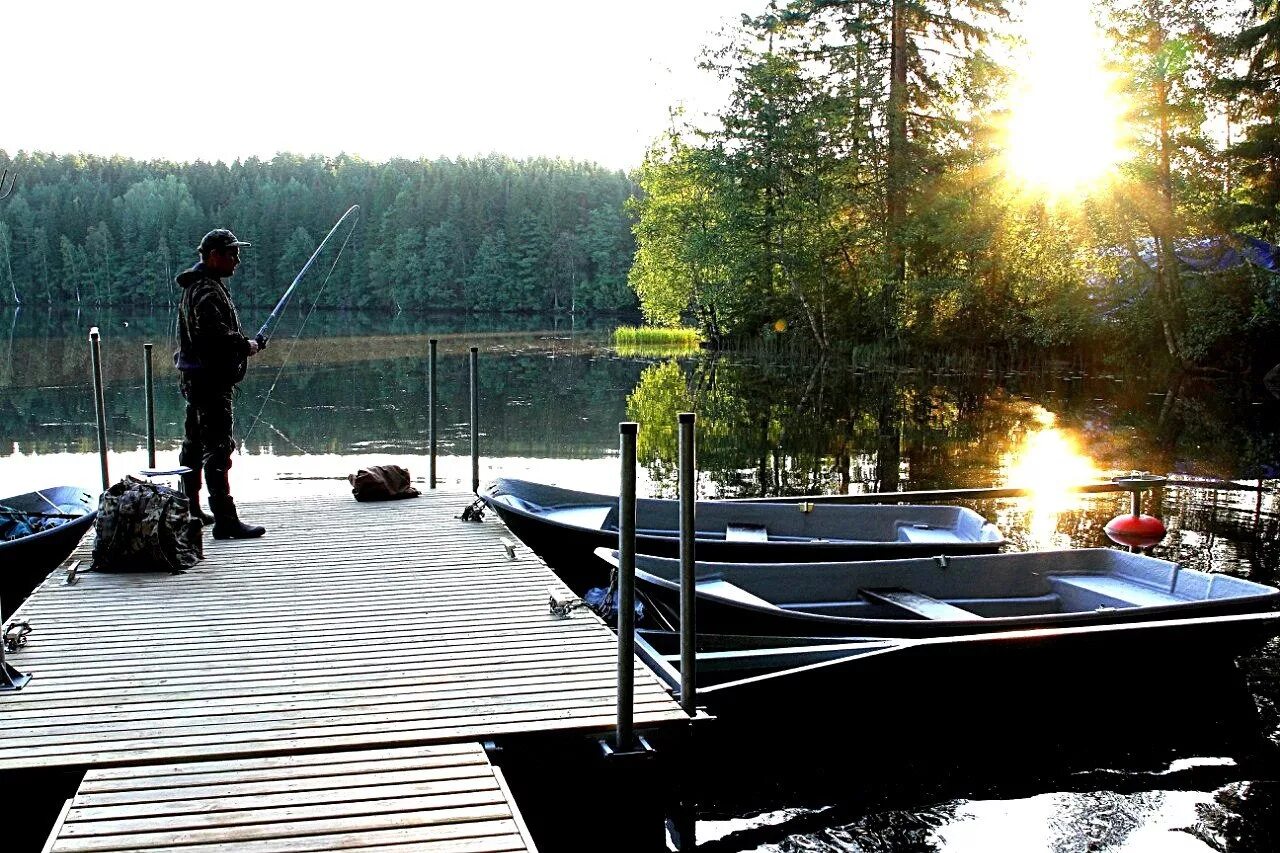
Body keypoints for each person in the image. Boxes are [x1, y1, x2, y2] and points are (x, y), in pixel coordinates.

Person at [174, 228, 268, 539]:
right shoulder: (207, 291)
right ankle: (225, 519)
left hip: (195, 378)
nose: (237, 260)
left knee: (193, 445)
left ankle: (191, 509)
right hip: (209, 381)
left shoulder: (196, 286)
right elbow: (211, 336)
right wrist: (246, 345)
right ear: (214, 256)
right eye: (232, 253)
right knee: (218, 447)